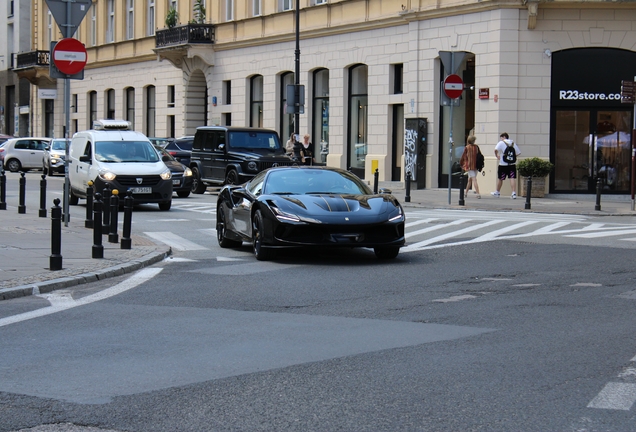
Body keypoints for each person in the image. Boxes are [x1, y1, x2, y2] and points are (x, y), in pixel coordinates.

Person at [491, 132, 521, 199]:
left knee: (500, 178)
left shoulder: (501, 142)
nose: (501, 139)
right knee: (512, 178)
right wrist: (512, 157)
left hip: (503, 164)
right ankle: (513, 193)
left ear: (504, 137)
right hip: (512, 164)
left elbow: (495, 150)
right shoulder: (513, 143)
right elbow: (518, 152)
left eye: (501, 137)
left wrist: (497, 155)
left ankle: (497, 192)